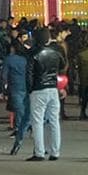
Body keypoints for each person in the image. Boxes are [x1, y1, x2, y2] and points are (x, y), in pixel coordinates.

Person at [26, 27, 66, 161]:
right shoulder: (55, 52)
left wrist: (29, 89)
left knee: (37, 121)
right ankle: (55, 151)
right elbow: (62, 65)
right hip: (53, 88)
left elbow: (29, 74)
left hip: (39, 89)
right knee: (54, 121)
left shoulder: (33, 53)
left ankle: (39, 152)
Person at [4, 37, 31, 156]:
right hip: (27, 87)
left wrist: (3, 89)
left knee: (20, 113)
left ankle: (18, 136)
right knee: (28, 113)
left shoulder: (9, 59)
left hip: (15, 87)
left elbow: (4, 75)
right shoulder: (26, 59)